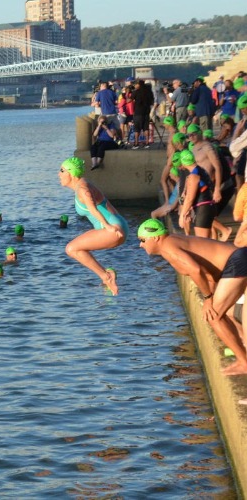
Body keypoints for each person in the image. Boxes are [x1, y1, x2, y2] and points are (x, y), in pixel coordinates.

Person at [137, 218, 247, 375]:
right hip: (238, 258)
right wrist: (211, 294)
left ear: (155, 237)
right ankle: (243, 352)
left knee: (214, 316)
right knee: (227, 313)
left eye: (142, 240)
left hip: (237, 263)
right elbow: (208, 271)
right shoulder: (174, 241)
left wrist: (208, 298)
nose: (141, 244)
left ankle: (243, 362)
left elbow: (195, 270)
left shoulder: (168, 247)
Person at [58, 157, 128, 295]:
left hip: (112, 228)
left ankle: (106, 276)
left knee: (71, 249)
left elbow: (93, 209)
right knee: (74, 249)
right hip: (118, 225)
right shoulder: (83, 185)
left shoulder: (82, 189)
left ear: (71, 173)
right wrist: (117, 224)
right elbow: (107, 207)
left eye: (62, 170)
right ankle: (106, 276)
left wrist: (108, 227)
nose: (58, 174)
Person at [178, 149, 216, 239]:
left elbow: (189, 198)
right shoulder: (201, 170)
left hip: (203, 208)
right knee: (205, 241)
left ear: (183, 162)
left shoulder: (193, 176)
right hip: (208, 206)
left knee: (202, 242)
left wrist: (182, 216)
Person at [132, 79, 154, 149]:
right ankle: (147, 143)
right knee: (146, 128)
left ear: (139, 84)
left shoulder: (136, 92)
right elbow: (152, 102)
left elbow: (129, 99)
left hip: (138, 112)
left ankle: (136, 143)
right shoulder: (149, 92)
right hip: (146, 112)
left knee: (137, 129)